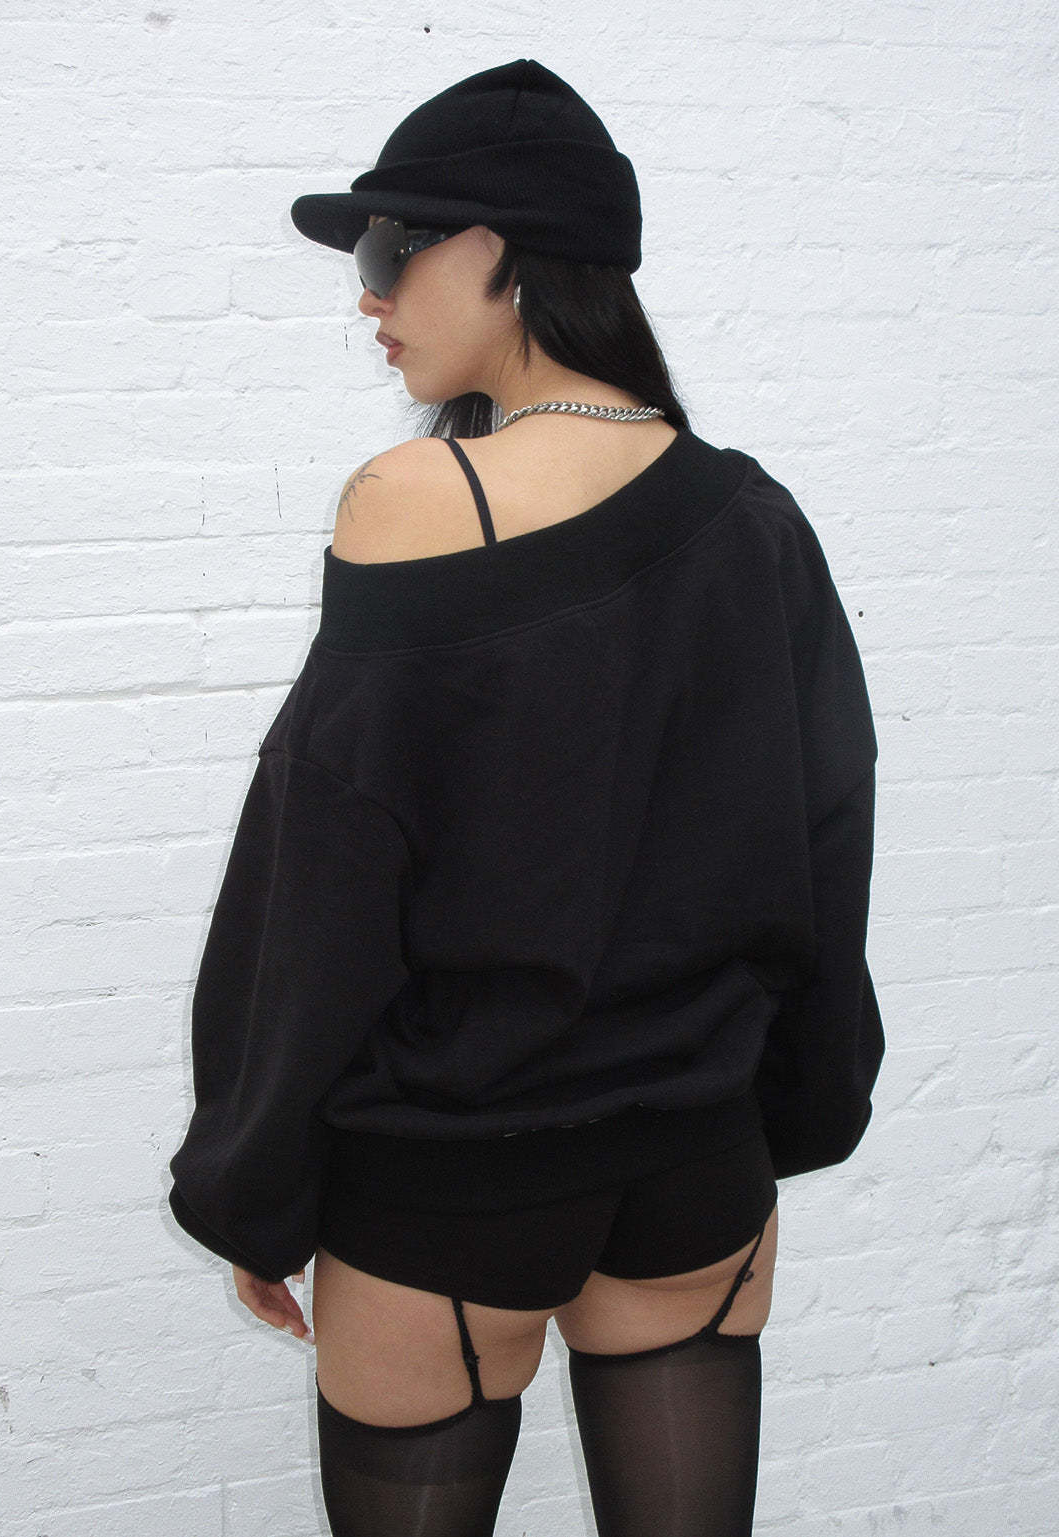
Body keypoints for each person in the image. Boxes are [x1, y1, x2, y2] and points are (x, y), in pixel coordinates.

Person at [167, 59, 884, 1536]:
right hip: (697, 1166)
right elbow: (829, 832)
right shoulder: (757, 516)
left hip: (452, 1180)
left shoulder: (418, 501)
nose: (370, 297)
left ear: (506, 247)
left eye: (389, 247)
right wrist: (792, 1110)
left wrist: (253, 1177)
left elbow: (322, 880)